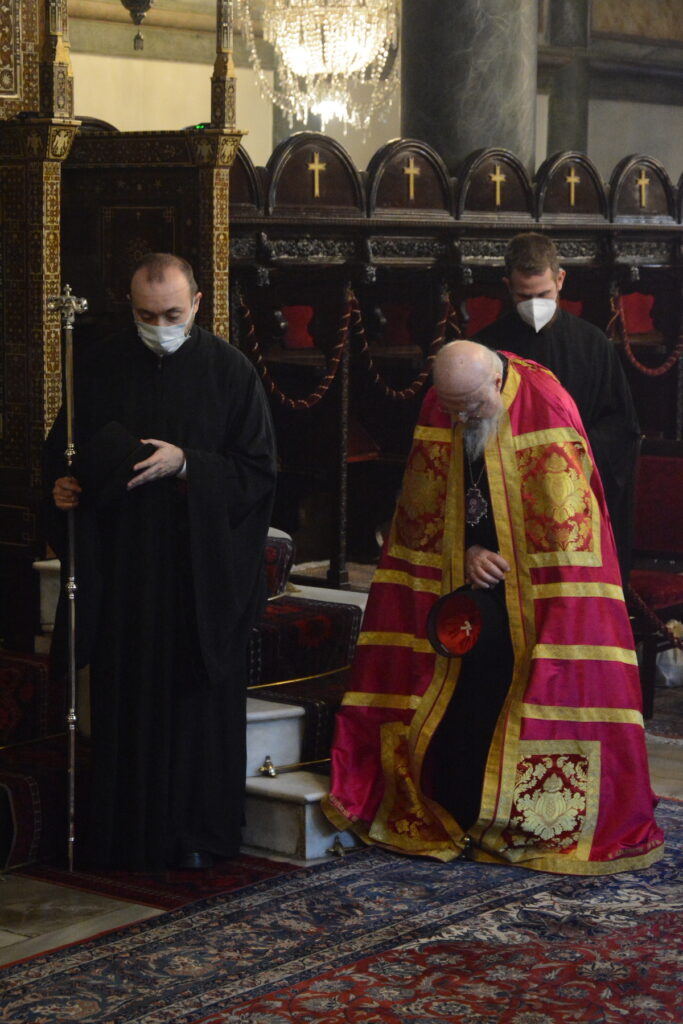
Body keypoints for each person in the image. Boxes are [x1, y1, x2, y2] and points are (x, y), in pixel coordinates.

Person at [322, 340, 664, 875]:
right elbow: (425, 508)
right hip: (466, 592)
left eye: (473, 407)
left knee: (521, 686)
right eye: (452, 408)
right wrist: (464, 553)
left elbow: (565, 525)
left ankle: (518, 820)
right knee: (457, 694)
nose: (461, 418)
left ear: (496, 383)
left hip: (537, 600)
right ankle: (460, 811)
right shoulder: (443, 402)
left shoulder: (545, 403)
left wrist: (511, 563)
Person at [45, 253, 277, 871]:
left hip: (198, 577)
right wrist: (63, 489)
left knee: (193, 711)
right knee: (127, 705)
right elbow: (65, 453)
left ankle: (196, 835)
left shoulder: (231, 372)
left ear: (197, 304)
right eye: (146, 316)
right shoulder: (99, 365)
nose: (159, 327)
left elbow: (258, 475)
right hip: (125, 571)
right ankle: (124, 836)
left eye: (172, 315)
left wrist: (188, 464)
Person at [475, 232, 639, 582]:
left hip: (576, 493)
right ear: (507, 286)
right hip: (512, 498)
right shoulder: (485, 349)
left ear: (560, 279)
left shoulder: (593, 344)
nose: (535, 305)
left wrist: (569, 452)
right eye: (524, 296)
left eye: (544, 294)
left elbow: (620, 425)